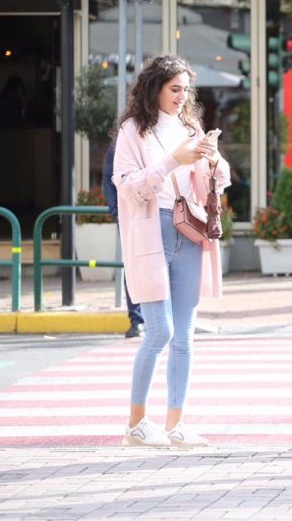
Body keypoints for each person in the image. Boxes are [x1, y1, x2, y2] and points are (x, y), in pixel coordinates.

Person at [113, 54, 231, 447]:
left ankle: (176, 424)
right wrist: (172, 160)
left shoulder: (191, 127)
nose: (181, 96)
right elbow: (128, 188)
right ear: (155, 89)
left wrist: (212, 159)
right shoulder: (133, 130)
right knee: (159, 330)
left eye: (185, 90)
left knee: (185, 335)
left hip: (189, 230)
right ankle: (136, 422)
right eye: (174, 89)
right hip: (152, 230)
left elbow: (216, 181)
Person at [102, 139, 144, 338]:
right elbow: (108, 178)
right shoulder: (121, 141)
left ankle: (156, 318)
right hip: (130, 217)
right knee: (133, 267)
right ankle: (137, 320)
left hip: (159, 215)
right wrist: (117, 212)